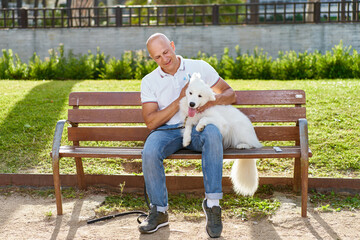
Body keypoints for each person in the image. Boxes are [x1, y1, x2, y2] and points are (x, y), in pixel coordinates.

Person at [139, 33, 236, 238]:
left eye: (166, 52)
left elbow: (230, 93)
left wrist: (209, 103)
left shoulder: (199, 67)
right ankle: (159, 211)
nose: (164, 59)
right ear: (152, 59)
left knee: (212, 132)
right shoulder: (149, 81)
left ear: (172, 45)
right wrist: (180, 99)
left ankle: (213, 205)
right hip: (167, 131)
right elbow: (151, 122)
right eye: (157, 57)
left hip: (197, 127)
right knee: (150, 149)